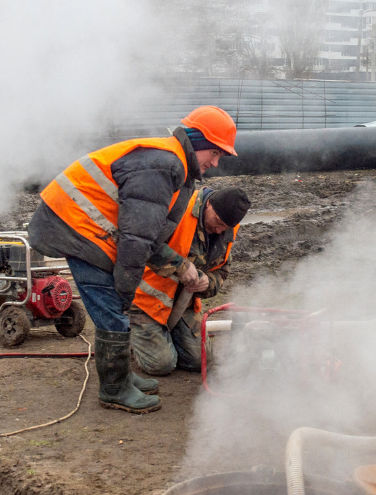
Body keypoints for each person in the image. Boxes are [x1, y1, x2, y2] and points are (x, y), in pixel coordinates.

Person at [27, 106, 238, 414]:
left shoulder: (172, 162)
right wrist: (126, 291)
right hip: (76, 227)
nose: (216, 163)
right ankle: (114, 389)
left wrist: (178, 267)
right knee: (112, 311)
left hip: (80, 224)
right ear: (199, 141)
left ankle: (122, 378)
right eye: (216, 153)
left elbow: (147, 237)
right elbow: (136, 239)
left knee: (114, 307)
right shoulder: (165, 166)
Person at [130, 186, 249, 377]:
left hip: (181, 304)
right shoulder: (178, 207)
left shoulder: (227, 228)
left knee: (200, 361)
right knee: (161, 364)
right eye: (217, 222)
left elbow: (222, 271)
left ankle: (164, 337)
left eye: (224, 227)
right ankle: (132, 335)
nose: (219, 230)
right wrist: (180, 267)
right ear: (209, 203)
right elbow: (143, 245)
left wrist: (207, 282)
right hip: (145, 301)